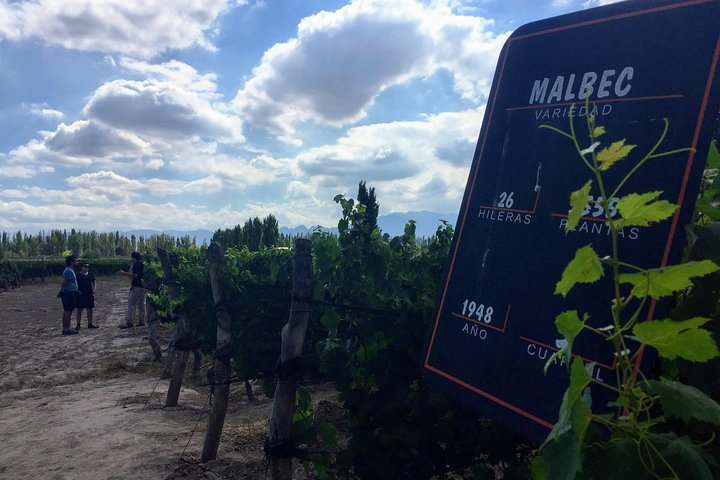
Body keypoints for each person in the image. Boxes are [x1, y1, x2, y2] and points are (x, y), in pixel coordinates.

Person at [117, 251, 146, 329]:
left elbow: (134, 275)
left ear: (133, 257)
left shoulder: (136, 264)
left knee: (131, 305)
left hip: (136, 286)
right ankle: (142, 321)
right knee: (141, 305)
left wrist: (123, 273)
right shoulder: (143, 263)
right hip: (143, 287)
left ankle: (129, 322)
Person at [59, 254, 79, 335]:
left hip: (70, 292)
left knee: (68, 310)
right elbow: (63, 283)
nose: (76, 262)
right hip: (68, 293)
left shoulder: (70, 270)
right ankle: (66, 328)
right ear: (71, 262)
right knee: (68, 311)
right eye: (75, 260)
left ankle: (66, 328)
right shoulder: (68, 271)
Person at [75, 263, 97, 330]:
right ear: (81, 267)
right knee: (79, 309)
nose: (87, 268)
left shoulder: (90, 274)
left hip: (89, 294)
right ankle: (78, 324)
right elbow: (74, 284)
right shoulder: (77, 275)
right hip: (80, 294)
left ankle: (90, 324)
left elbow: (94, 281)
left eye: (88, 266)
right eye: (85, 266)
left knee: (90, 309)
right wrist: (77, 291)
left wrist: (94, 288)